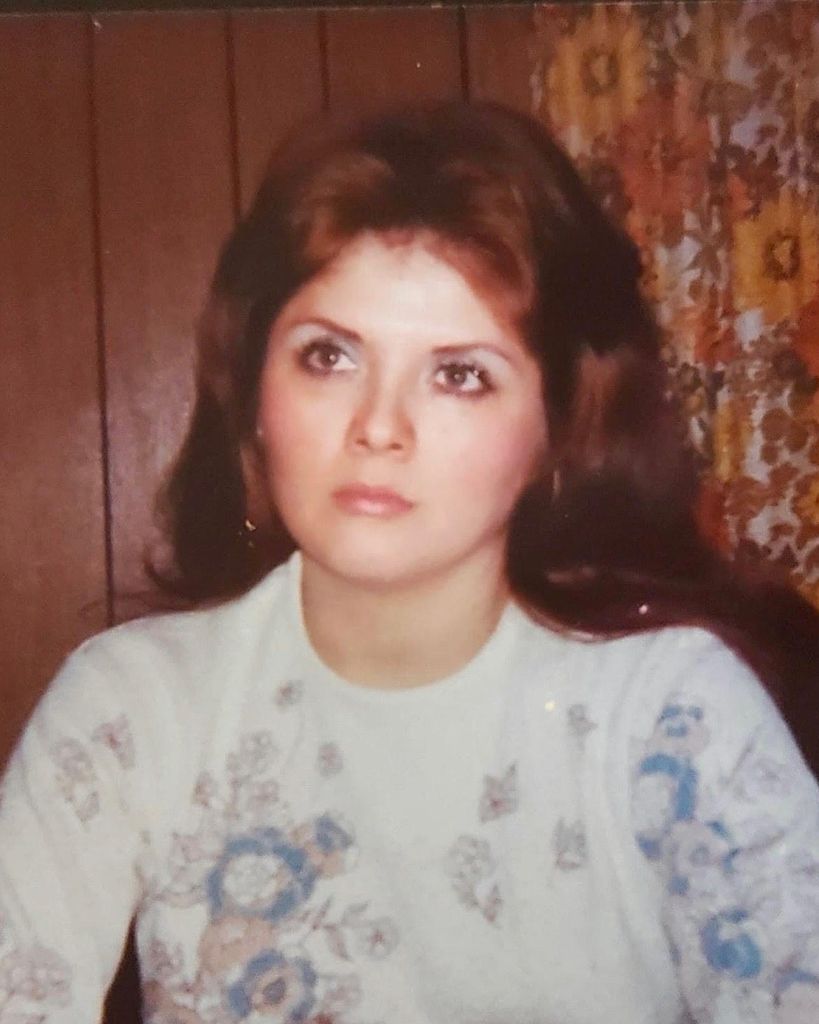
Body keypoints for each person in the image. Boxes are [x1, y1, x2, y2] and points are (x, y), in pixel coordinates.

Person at [1, 100, 818, 1024]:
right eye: (328, 357)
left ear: (558, 428)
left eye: (459, 374)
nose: (379, 427)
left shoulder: (671, 713)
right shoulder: (131, 709)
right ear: (254, 393)